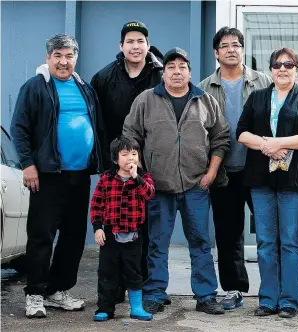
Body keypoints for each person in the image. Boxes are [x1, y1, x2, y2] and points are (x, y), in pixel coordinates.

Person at [123, 47, 230, 315]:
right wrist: (141, 174)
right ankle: (155, 294)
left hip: (196, 185)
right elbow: (131, 135)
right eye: (171, 67)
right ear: (163, 72)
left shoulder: (205, 100)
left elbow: (221, 138)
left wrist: (212, 172)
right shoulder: (146, 100)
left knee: (200, 243)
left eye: (182, 67)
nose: (177, 71)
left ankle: (206, 295)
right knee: (158, 243)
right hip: (158, 188)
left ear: (189, 72)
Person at [11, 34, 109, 319]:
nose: (64, 62)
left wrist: (102, 165)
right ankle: (35, 294)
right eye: (58, 56)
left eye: (69, 56)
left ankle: (57, 290)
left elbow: (98, 128)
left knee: (74, 237)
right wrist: (28, 164)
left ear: (75, 58)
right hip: (47, 175)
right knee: (42, 236)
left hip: (79, 176)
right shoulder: (35, 87)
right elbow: (20, 128)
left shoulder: (85, 89)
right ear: (48, 58)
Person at [237, 47, 298, 318]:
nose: (282, 69)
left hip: (292, 179)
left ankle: (288, 301)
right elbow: (241, 133)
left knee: (290, 242)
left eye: (288, 64)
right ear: (270, 69)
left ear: (296, 68)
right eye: (277, 64)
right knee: (265, 241)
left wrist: (280, 143)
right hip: (260, 178)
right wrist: (266, 145)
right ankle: (267, 299)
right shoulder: (257, 97)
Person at [197, 26, 272, 310]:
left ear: (243, 50)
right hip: (223, 172)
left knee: (267, 232)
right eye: (225, 45)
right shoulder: (204, 87)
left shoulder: (263, 82)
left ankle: (272, 290)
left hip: (259, 168)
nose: (231, 49)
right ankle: (234, 289)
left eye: (236, 44)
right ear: (216, 53)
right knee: (228, 235)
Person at [90, 20, 164, 304]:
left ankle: (142, 285)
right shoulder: (104, 77)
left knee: (143, 226)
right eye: (130, 41)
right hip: (115, 165)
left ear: (148, 45)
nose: (135, 46)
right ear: (121, 46)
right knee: (114, 223)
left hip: (148, 165)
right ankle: (114, 288)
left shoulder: (160, 75)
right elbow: (97, 123)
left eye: (140, 41)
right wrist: (106, 161)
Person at [90, 136, 155, 322]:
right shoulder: (106, 179)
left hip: (134, 235)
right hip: (110, 234)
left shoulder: (144, 177)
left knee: (133, 271)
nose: (130, 158)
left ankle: (136, 307)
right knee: (107, 272)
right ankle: (105, 308)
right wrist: (97, 228)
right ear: (115, 159)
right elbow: (97, 205)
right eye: (125, 154)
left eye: (134, 154)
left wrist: (136, 177)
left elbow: (149, 194)